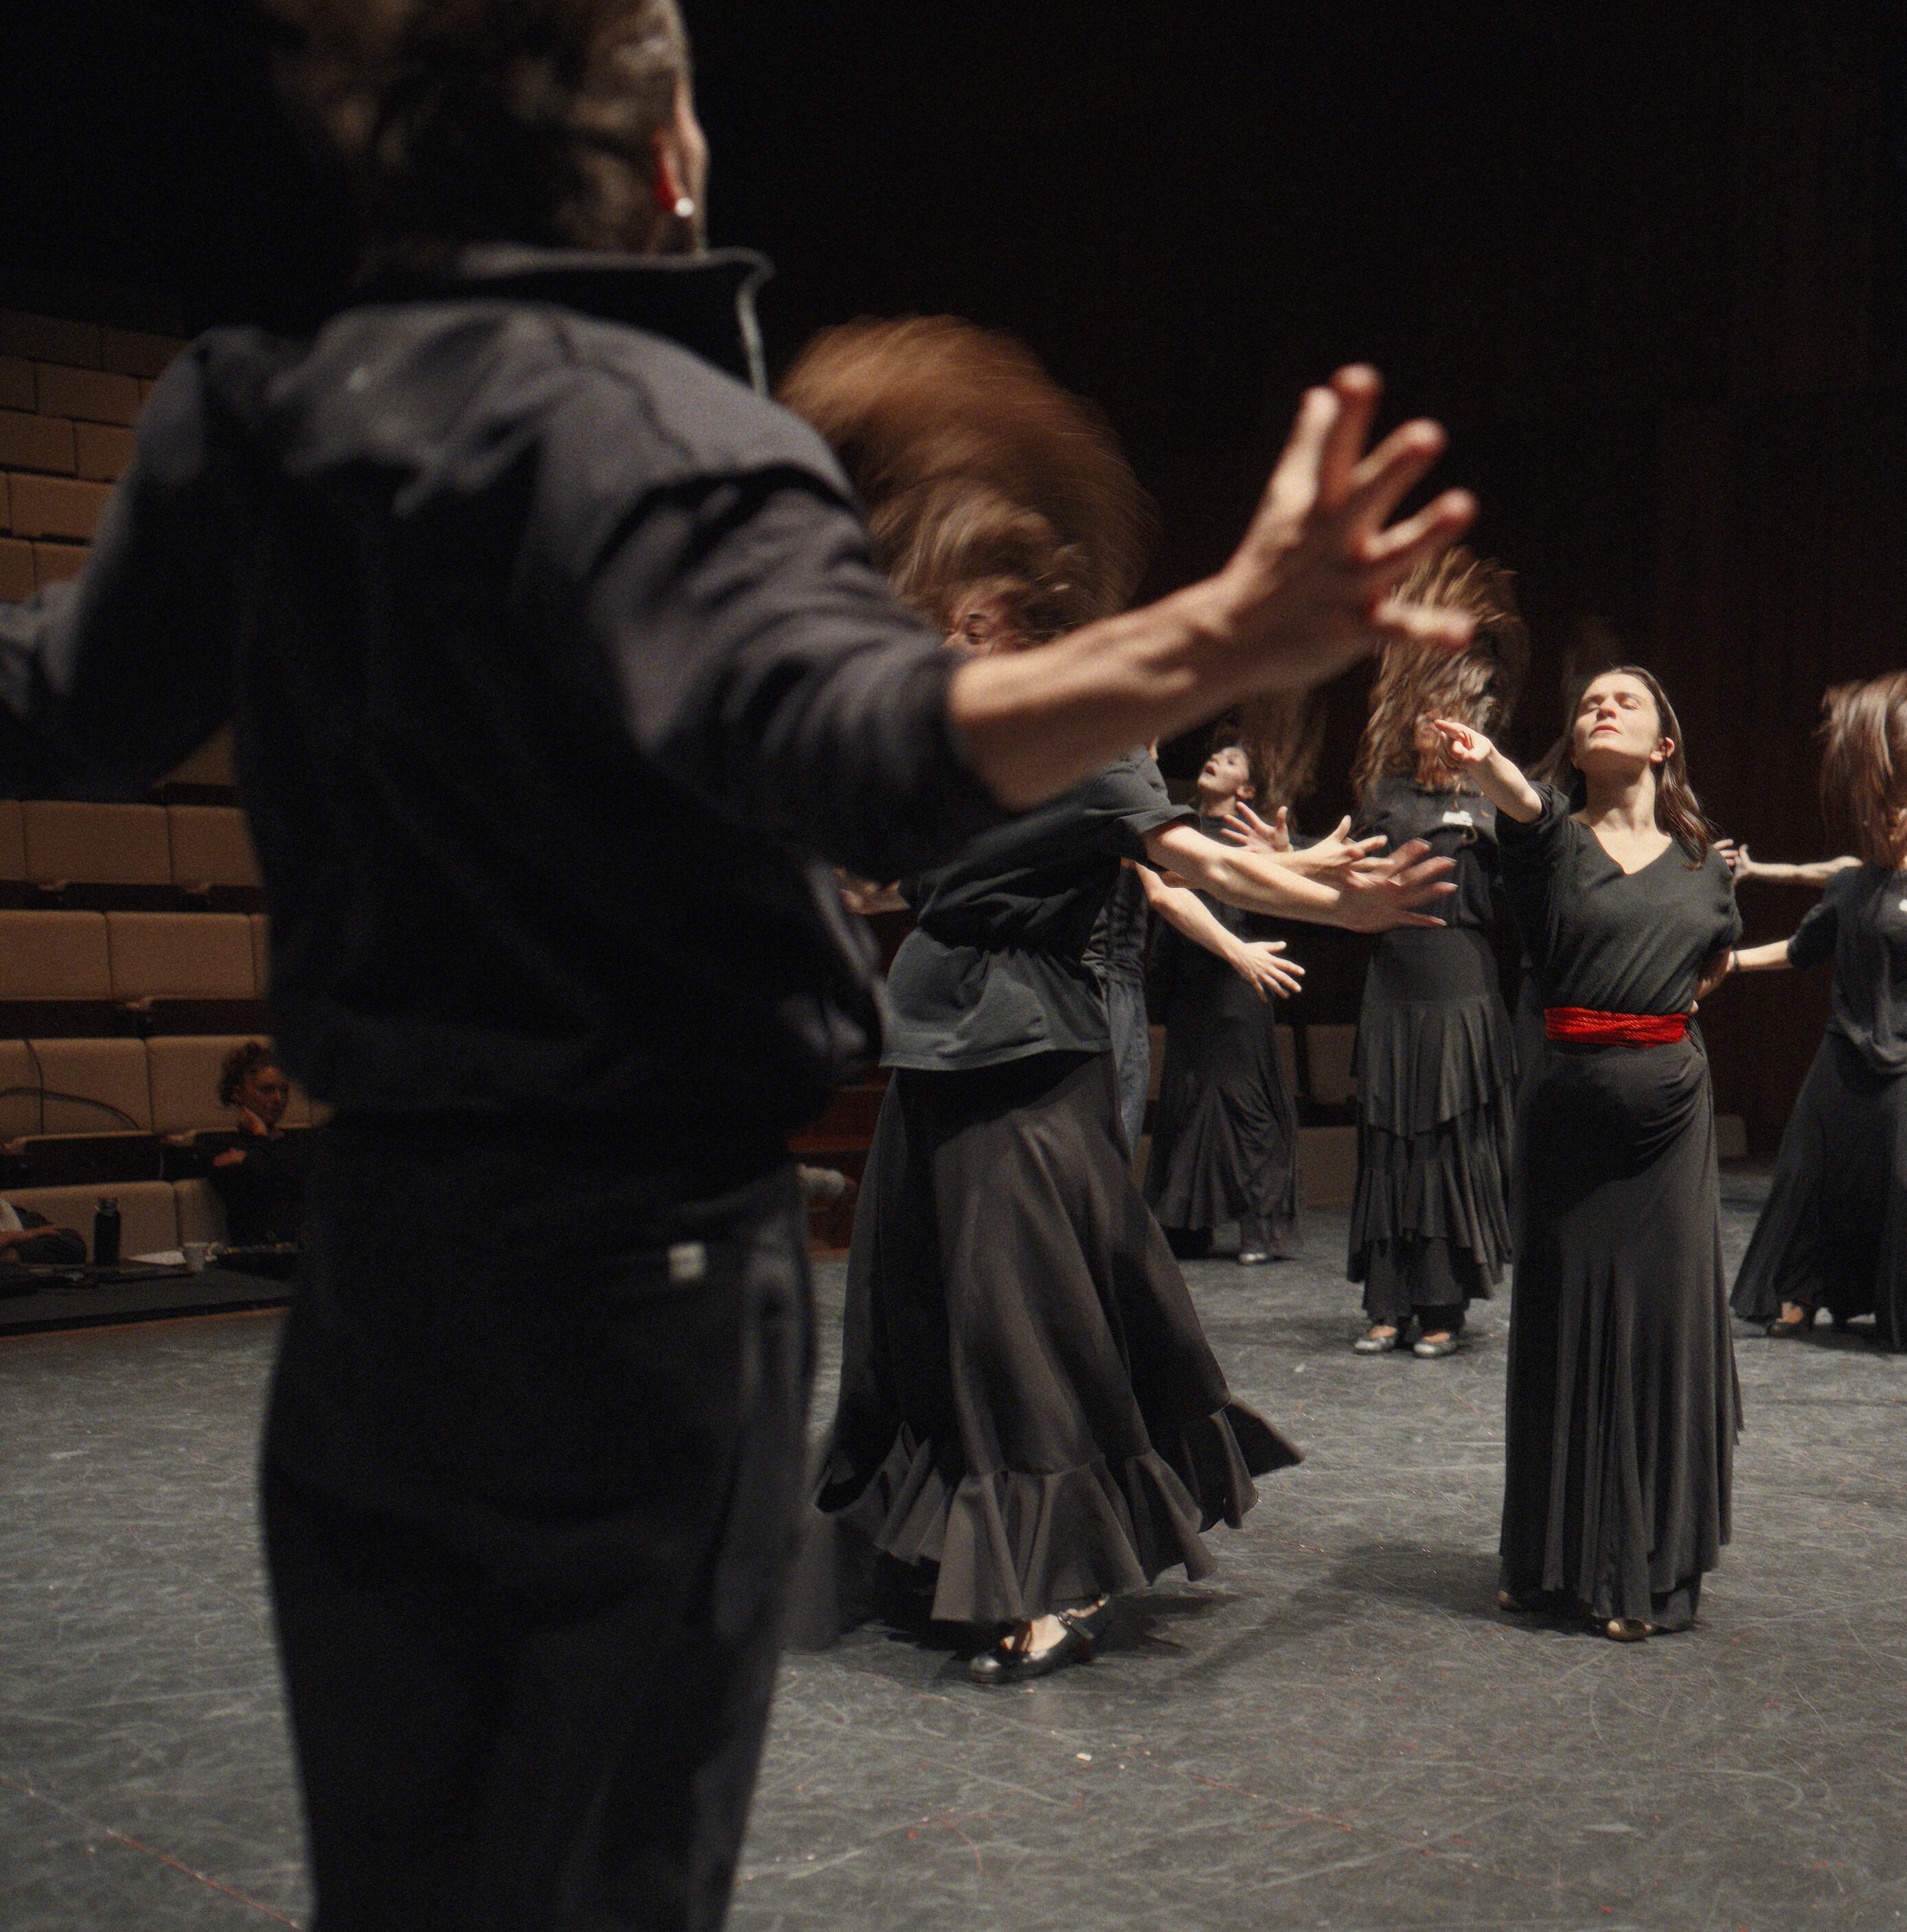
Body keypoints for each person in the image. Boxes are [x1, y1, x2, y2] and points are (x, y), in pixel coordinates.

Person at [1, 2, 1477, 1920]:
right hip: (639, 1285)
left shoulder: (257, 423)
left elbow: (63, 700)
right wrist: (1208, 635)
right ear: (667, 158)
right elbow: (861, 731)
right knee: (623, 1866)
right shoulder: (689, 445)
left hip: (381, 1264)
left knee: (414, 1872)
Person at [780, 315, 1459, 1684]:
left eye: (960, 591)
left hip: (1029, 1058)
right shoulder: (951, 726)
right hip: (935, 1043)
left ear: (1018, 602)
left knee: (1009, 1317)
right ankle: (927, 1544)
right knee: (912, 1311)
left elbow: (1183, 857)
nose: (937, 607)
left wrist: (1328, 897)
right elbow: (883, 871)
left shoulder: (1089, 732)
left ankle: (1053, 1570)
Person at [1425, 670, 1742, 1640]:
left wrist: (1668, 1015)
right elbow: (1522, 805)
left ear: (1664, 746)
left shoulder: (1705, 864)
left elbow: (1715, 957)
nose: (1601, 705)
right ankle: (1553, 1559)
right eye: (1589, 700)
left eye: (1627, 701)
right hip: (1570, 1124)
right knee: (1567, 1323)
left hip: (1671, 1128)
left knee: (1659, 1332)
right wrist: (1487, 768)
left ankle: (1645, 1566)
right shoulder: (1555, 838)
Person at [1723, 672, 1907, 1357]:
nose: (1883, 822)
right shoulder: (1852, 882)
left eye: (1895, 811)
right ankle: (1801, 1290)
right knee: (1807, 1166)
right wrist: (1728, 964)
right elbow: (1798, 949)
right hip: (1842, 1055)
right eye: (1874, 811)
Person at [1345, 550, 1528, 1359]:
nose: (1436, 726)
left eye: (1451, 714)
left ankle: (1444, 1305)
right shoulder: (1383, 795)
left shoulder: (1489, 802)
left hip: (1460, 979)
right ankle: (1386, 1302)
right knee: (1390, 1140)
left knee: (1450, 1139)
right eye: (1426, 711)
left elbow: (1510, 894)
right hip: (1393, 979)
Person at [1142, 731, 1309, 1265]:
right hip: (1188, 976)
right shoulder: (1178, 824)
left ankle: (1261, 1226)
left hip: (1237, 975)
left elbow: (1284, 893)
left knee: (1240, 1093)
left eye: (1232, 758)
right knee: (1190, 1092)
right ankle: (1188, 1225)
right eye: (1216, 754)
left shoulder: (1248, 834)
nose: (1216, 759)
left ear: (1248, 787)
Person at [198, 1038, 313, 1247]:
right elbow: (258, 1187)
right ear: (238, 1093)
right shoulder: (216, 1145)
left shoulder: (302, 1144)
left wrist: (251, 1157)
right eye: (266, 1090)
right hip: (254, 1260)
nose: (278, 1099)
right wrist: (259, 1137)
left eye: (284, 1090)